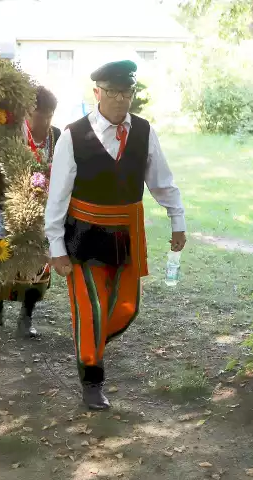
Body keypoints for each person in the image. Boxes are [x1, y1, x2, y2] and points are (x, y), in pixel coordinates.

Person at [45, 60, 187, 410]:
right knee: (91, 307)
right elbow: (58, 195)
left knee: (126, 308)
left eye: (127, 92)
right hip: (83, 234)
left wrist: (177, 219)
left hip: (126, 233)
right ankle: (92, 377)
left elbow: (161, 180)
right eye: (113, 92)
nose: (121, 99)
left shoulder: (143, 130)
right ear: (97, 93)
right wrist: (56, 247)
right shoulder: (73, 135)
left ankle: (87, 341)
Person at [0, 86, 62, 339]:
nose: (47, 120)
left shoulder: (57, 136)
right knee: (4, 262)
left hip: (43, 212)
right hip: (11, 209)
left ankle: (26, 316)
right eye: (42, 114)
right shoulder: (14, 134)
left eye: (51, 114)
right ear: (29, 111)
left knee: (38, 268)